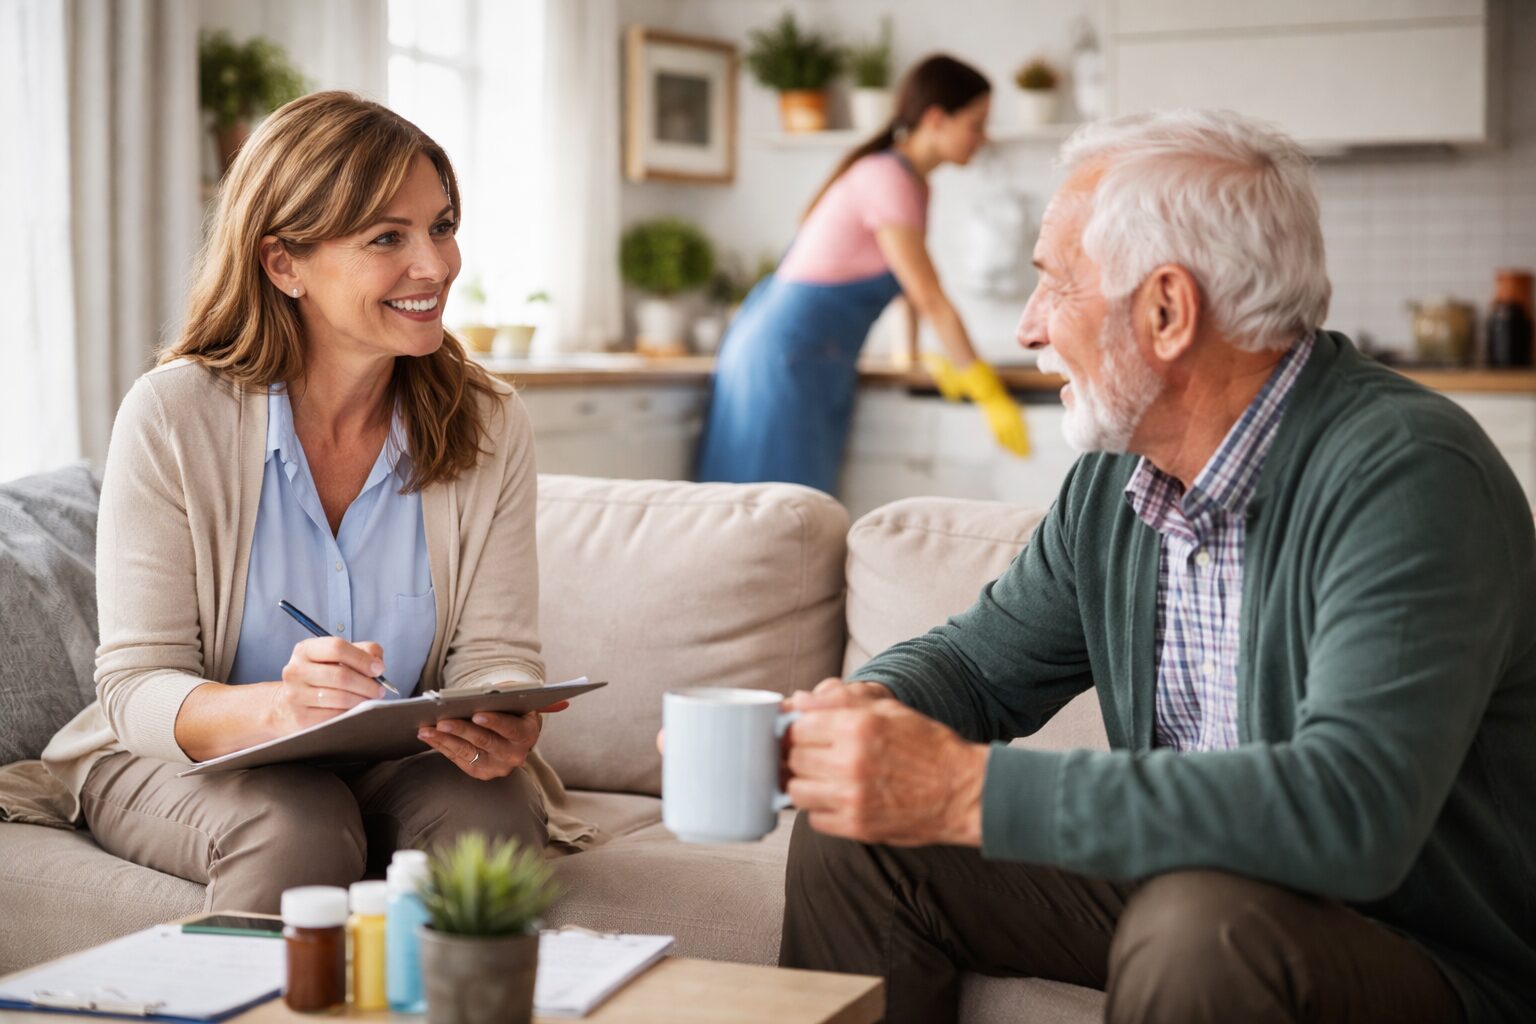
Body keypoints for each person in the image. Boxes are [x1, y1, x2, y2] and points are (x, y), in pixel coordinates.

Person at [776, 109, 1536, 1023]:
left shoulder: (1409, 477)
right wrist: (859, 723)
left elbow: (1349, 812)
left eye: (1054, 285)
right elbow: (979, 667)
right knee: (857, 833)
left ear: (1167, 311)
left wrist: (962, 789)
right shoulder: (1118, 481)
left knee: (1201, 927)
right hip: (1188, 894)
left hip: (1414, 948)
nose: (1026, 328)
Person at [40, 92, 592, 912]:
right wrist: (280, 708)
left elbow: (496, 654)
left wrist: (502, 710)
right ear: (283, 264)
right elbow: (137, 686)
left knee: (493, 811)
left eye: (441, 226)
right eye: (387, 239)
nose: (436, 266)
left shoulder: (488, 421)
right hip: (189, 760)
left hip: (397, 760)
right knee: (297, 820)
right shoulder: (174, 415)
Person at [695, 54, 1029, 495]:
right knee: (770, 512)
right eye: (976, 123)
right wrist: (985, 387)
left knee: (798, 516)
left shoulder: (913, 184)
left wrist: (911, 358)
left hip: (813, 360)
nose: (983, 139)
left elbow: (907, 288)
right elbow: (930, 297)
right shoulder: (887, 180)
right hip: (783, 357)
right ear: (936, 119)